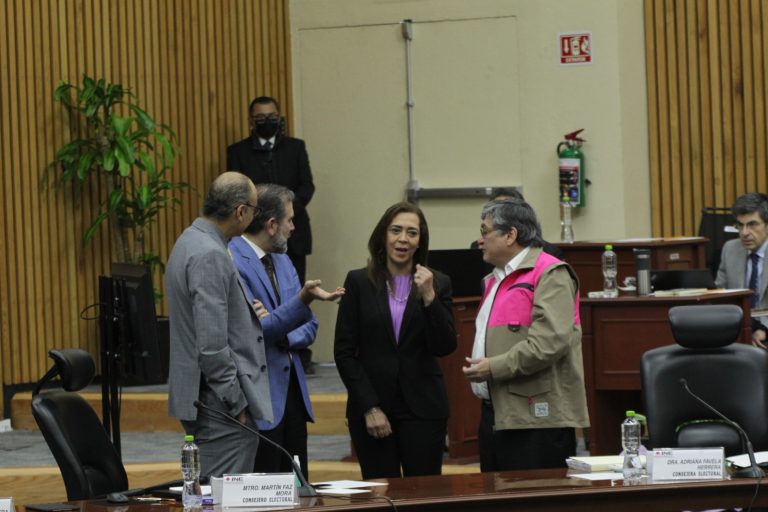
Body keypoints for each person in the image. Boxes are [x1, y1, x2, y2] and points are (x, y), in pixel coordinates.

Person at [462, 198, 589, 472]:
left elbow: (548, 344)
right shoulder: (494, 279)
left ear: (510, 235)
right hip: (497, 412)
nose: (479, 240)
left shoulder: (551, 272)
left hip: (537, 421)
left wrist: (492, 367)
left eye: (485, 231)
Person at [228, 183, 344, 479]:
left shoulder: (283, 259)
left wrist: (281, 329)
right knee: (266, 490)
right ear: (271, 224)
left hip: (293, 394)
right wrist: (283, 323)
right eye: (290, 220)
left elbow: (309, 326)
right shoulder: (232, 260)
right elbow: (255, 333)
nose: (294, 227)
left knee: (297, 486)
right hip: (259, 399)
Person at [334, 202, 457, 479]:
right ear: (383, 236)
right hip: (373, 407)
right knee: (381, 495)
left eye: (412, 233)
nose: (403, 239)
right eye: (396, 230)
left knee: (422, 496)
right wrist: (369, 406)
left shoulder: (438, 282)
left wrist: (429, 298)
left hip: (424, 409)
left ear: (420, 241)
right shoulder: (358, 282)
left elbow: (445, 346)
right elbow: (344, 352)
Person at [166, 172, 272, 478]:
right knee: (224, 501)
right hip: (218, 405)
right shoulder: (210, 254)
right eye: (254, 209)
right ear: (241, 212)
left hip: (204, 398)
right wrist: (236, 404)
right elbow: (211, 345)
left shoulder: (189, 240)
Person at [228, 95, 317, 373]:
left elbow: (307, 185)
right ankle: (271, 345)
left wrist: (286, 212)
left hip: (294, 232)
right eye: (260, 117)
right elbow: (236, 190)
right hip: (255, 230)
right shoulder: (238, 151)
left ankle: (297, 352)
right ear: (251, 121)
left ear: (280, 118)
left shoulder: (295, 147)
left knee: (295, 291)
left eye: (272, 116)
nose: (267, 121)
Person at [715, 192, 768, 347]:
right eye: (740, 225)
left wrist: (764, 330)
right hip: (737, 331)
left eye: (752, 224)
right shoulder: (730, 250)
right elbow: (719, 297)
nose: (744, 233)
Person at [470, 187, 564, 260]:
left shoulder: (549, 253)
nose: (500, 213)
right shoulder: (479, 246)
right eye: (495, 209)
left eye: (506, 208)